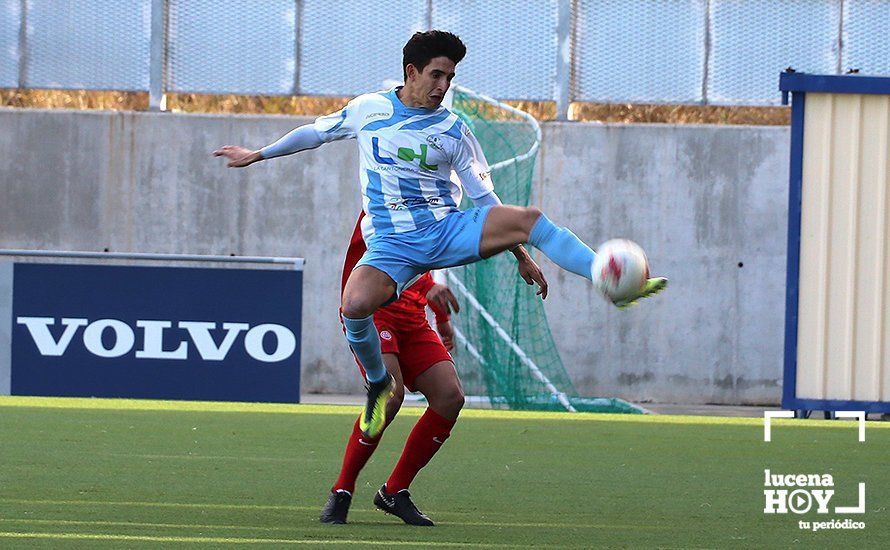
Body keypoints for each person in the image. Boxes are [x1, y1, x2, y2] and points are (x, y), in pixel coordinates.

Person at [214, 29, 666, 475]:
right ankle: (378, 384)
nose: (443, 86)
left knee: (528, 218)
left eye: (449, 77)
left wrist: (521, 255)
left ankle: (605, 276)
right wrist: (259, 153)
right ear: (411, 72)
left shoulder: (454, 129)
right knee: (354, 304)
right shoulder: (368, 110)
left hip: (446, 231)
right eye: (436, 75)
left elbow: (487, 201)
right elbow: (314, 133)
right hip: (392, 243)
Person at [320, 212, 461, 525]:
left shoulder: (435, 197)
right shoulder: (383, 189)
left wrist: (443, 318)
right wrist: (427, 286)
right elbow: (385, 248)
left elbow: (435, 253)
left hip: (413, 316)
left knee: (450, 396)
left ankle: (394, 492)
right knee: (389, 396)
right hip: (371, 312)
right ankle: (342, 489)